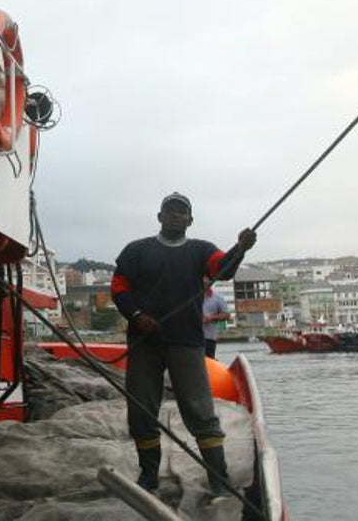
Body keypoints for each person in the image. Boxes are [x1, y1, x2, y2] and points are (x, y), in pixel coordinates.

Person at [109, 193, 256, 501]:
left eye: (182, 212)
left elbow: (222, 269)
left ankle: (219, 480)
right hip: (144, 342)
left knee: (201, 411)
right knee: (141, 411)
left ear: (190, 220)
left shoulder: (201, 250)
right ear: (159, 216)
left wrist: (239, 249)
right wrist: (136, 316)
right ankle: (149, 477)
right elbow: (119, 288)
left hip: (187, 342)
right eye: (170, 211)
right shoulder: (135, 251)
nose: (176, 216)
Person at [201, 281, 232, 360]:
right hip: (193, 338)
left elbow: (227, 315)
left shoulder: (218, 298)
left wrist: (211, 318)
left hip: (209, 339)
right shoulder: (193, 297)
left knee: (209, 363)